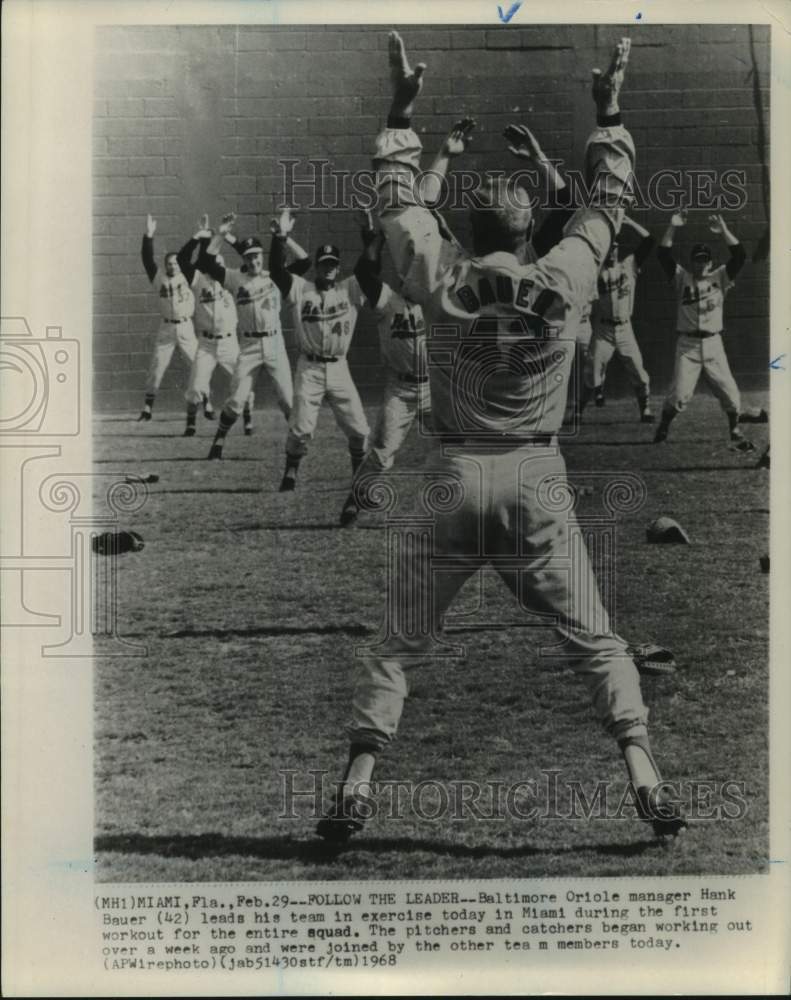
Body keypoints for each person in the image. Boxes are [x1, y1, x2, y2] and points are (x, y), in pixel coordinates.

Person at [317, 34, 686, 844]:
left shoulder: (439, 273)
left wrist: (401, 112)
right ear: (527, 237)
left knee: (397, 642)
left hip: (451, 470)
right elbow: (605, 200)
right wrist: (609, 108)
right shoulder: (563, 275)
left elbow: (392, 198)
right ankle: (643, 772)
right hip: (535, 474)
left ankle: (356, 781)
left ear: (470, 226)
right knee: (593, 639)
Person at [338, 211, 430, 527]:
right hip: (401, 389)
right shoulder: (389, 299)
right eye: (410, 272)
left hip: (436, 386)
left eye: (420, 272)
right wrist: (372, 237)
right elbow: (365, 272)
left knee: (461, 446)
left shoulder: (439, 302)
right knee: (381, 452)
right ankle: (355, 498)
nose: (414, 277)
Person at [268, 210, 371, 493]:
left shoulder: (350, 288)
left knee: (360, 430)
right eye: (323, 264)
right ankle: (291, 469)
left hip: (339, 366)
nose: (328, 268)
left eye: (332, 264)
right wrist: (280, 238)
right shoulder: (301, 289)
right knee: (300, 429)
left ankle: (358, 476)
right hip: (309, 367)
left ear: (338, 268)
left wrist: (368, 233)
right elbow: (277, 271)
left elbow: (369, 267)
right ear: (316, 266)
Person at [201, 215, 310, 460]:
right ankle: (219, 440)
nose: (253, 260)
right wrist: (220, 235)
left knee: (287, 401)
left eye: (257, 255)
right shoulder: (234, 278)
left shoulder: (275, 276)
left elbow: (304, 262)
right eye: (249, 256)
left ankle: (296, 446)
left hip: (274, 343)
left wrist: (285, 236)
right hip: (249, 345)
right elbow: (208, 263)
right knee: (236, 402)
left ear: (262, 255)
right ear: (244, 258)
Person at [653, 211, 757, 447]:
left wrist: (724, 230)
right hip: (687, 345)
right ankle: (664, 427)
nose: (701, 264)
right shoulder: (682, 278)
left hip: (713, 343)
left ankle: (735, 429)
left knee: (729, 392)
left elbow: (740, 255)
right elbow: (662, 254)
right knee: (679, 395)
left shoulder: (720, 276)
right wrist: (672, 226)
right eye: (697, 260)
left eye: (705, 260)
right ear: (692, 262)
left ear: (711, 262)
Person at [177, 214, 248, 437]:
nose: (215, 265)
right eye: (212, 262)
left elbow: (248, 256)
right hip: (206, 343)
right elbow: (182, 259)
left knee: (242, 382)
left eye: (218, 262)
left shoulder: (233, 278)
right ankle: (190, 424)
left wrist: (228, 237)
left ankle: (248, 421)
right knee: (196, 388)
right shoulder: (198, 280)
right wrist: (199, 236)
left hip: (229, 341)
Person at [579, 216, 655, 422]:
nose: (612, 251)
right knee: (592, 373)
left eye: (615, 247)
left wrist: (630, 223)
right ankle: (578, 412)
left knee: (638, 372)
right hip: (603, 329)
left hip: (625, 328)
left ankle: (645, 410)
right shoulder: (595, 270)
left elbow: (649, 240)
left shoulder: (629, 264)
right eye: (608, 248)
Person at [138, 214, 197, 423]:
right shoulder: (159, 278)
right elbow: (146, 259)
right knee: (157, 366)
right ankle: (147, 407)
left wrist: (199, 236)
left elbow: (190, 257)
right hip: (166, 328)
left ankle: (206, 402)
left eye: (175, 263)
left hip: (186, 326)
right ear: (165, 266)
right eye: (169, 264)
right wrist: (149, 235)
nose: (173, 266)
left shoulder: (188, 277)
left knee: (198, 364)